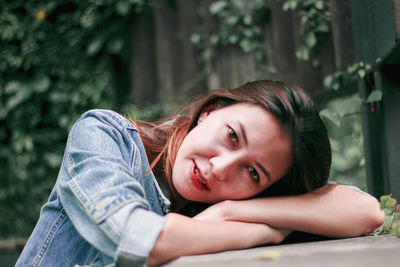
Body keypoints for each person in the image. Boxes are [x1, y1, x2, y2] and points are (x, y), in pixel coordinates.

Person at [16, 80, 384, 267]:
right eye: (232, 135)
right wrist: (260, 230)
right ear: (209, 111)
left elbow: (365, 211)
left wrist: (231, 213)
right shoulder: (105, 136)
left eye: (253, 172)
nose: (220, 167)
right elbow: (133, 237)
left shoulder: (232, 206)